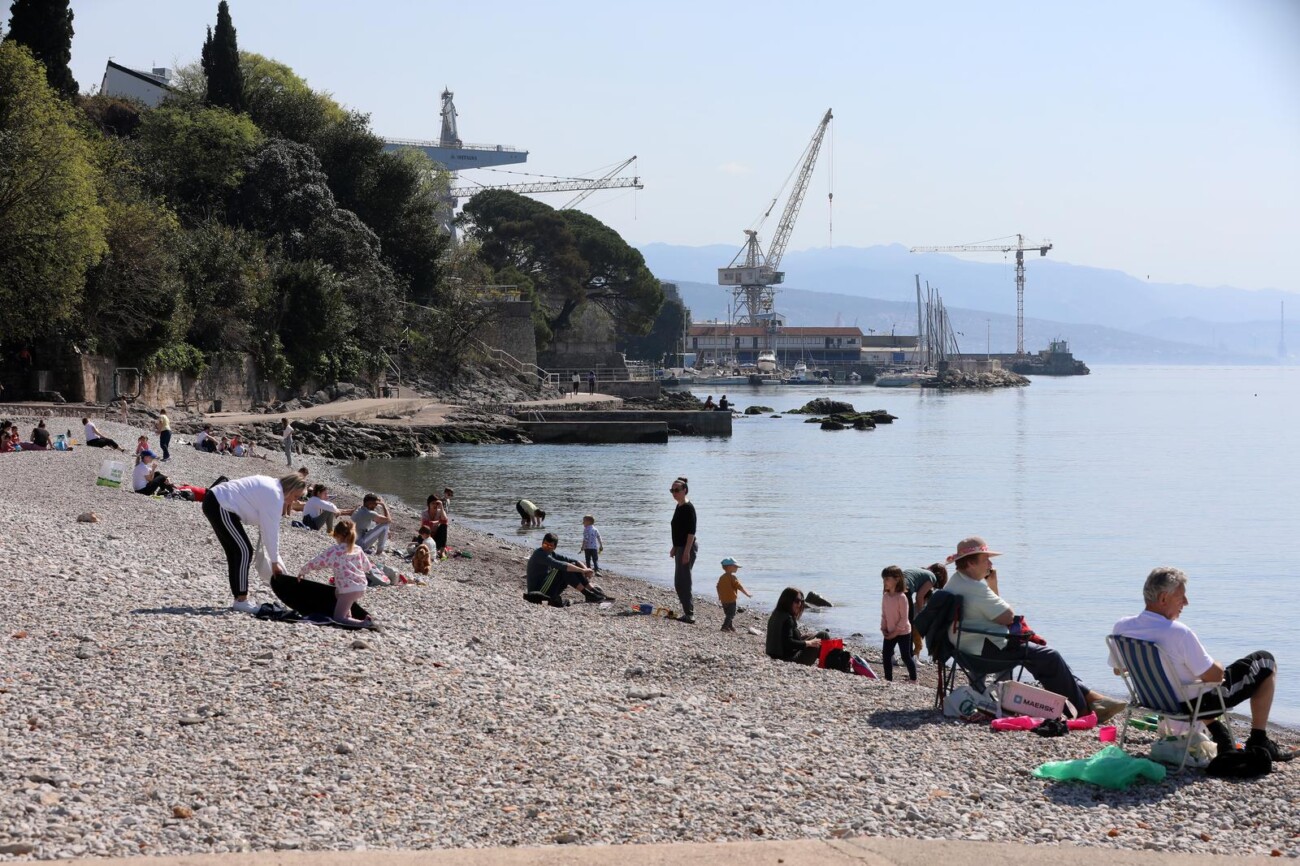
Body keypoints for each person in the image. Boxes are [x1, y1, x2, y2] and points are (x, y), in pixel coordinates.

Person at [1111, 567, 1294, 761]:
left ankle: (1222, 735)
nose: (1186, 602)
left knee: (1187, 673)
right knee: (1265, 661)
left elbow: (1118, 669)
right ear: (1164, 598)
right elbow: (1215, 677)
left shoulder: (1122, 626)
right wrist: (1217, 663)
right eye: (1181, 596)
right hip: (1190, 705)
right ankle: (1259, 738)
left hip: (1152, 699)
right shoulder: (1178, 633)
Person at [944, 536, 1126, 721]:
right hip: (985, 651)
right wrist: (992, 586)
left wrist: (990, 586)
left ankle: (1092, 698)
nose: (990, 564)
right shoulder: (976, 589)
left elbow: (994, 613)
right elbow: (1007, 616)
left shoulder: (956, 583)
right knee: (1050, 656)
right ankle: (1084, 709)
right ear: (971, 563)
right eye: (986, 560)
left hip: (966, 648)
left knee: (1042, 657)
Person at [202, 473, 306, 613]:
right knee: (244, 551)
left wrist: (274, 560)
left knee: (236, 552)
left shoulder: (273, 485)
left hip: (216, 502)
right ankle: (241, 600)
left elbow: (266, 530)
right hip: (220, 505)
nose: (297, 501)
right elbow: (271, 532)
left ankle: (239, 598)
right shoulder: (275, 495)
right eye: (296, 496)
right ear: (291, 489)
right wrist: (274, 563)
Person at [297, 518, 375, 627]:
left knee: (338, 618)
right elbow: (367, 567)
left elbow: (317, 562)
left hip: (349, 589)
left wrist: (302, 571)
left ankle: (364, 623)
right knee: (338, 593)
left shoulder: (335, 550)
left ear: (338, 536)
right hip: (360, 586)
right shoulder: (358, 549)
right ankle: (348, 617)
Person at [882, 563, 948, 658]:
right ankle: (909, 656)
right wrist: (922, 614)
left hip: (890, 585)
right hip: (904, 589)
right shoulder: (932, 577)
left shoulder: (919, 571)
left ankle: (889, 654)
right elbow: (919, 596)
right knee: (908, 626)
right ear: (941, 578)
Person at [526, 532, 597, 606]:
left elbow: (575, 561)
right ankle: (588, 594)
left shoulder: (552, 554)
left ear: (554, 547)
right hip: (538, 593)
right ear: (542, 543)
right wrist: (582, 570)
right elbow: (562, 565)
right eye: (545, 545)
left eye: (550, 546)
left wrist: (586, 570)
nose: (547, 547)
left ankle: (593, 591)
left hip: (546, 588)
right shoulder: (539, 554)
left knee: (573, 565)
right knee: (563, 569)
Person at [766, 587, 823, 665]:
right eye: (797, 601)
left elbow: (783, 638)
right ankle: (834, 661)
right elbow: (788, 643)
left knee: (816, 636)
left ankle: (833, 656)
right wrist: (809, 643)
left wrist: (805, 638)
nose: (799, 604)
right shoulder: (787, 619)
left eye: (801, 601)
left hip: (776, 655)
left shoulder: (776, 614)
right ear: (788, 601)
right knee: (823, 636)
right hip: (789, 658)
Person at [669, 476, 698, 623]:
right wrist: (675, 547)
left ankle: (689, 614)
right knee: (678, 581)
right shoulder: (679, 505)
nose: (674, 493)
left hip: (687, 547)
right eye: (672, 490)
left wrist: (686, 551)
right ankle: (687, 612)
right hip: (680, 547)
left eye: (677, 490)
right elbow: (678, 530)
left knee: (683, 581)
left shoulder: (688, 508)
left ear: (684, 490)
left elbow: (691, 532)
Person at [881, 569, 917, 682]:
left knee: (906, 657)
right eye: (883, 579)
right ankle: (888, 679)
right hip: (890, 631)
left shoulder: (902, 597)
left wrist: (895, 633)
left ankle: (913, 678)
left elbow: (904, 618)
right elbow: (884, 614)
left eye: (887, 579)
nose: (884, 582)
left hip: (903, 632)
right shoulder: (886, 596)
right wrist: (883, 628)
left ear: (897, 579)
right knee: (886, 655)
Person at [716, 557, 751, 632]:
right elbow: (739, 587)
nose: (737, 568)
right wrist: (747, 594)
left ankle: (730, 626)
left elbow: (718, 586)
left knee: (728, 614)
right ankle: (724, 627)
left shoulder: (722, 577)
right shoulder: (732, 577)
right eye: (735, 567)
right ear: (729, 567)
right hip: (731, 600)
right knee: (731, 614)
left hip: (723, 600)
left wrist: (719, 596)